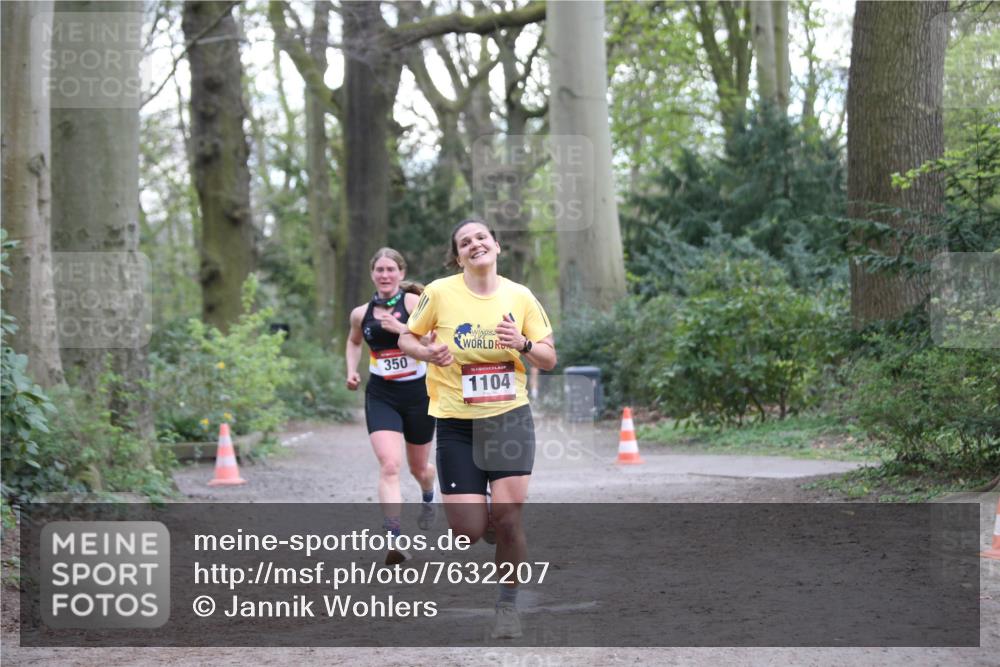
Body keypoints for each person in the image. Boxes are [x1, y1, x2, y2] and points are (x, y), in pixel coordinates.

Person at [398, 219, 556, 639]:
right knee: (466, 531)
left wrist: (522, 344)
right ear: (458, 256)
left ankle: (507, 606)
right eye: (465, 242)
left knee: (509, 519)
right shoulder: (438, 292)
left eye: (481, 238)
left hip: (509, 419)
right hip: (456, 423)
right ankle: (483, 519)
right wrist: (427, 353)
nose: (475, 244)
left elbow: (548, 358)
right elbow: (407, 339)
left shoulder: (520, 296)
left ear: (497, 246)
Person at [346, 248, 437, 565]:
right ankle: (394, 539)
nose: (385, 275)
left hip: (418, 394)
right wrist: (351, 370)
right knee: (389, 465)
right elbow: (354, 341)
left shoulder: (414, 304)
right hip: (382, 394)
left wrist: (402, 330)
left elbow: (433, 344)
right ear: (372, 274)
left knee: (419, 469)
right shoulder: (361, 313)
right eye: (379, 270)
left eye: (390, 269)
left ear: (401, 273)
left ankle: (428, 496)